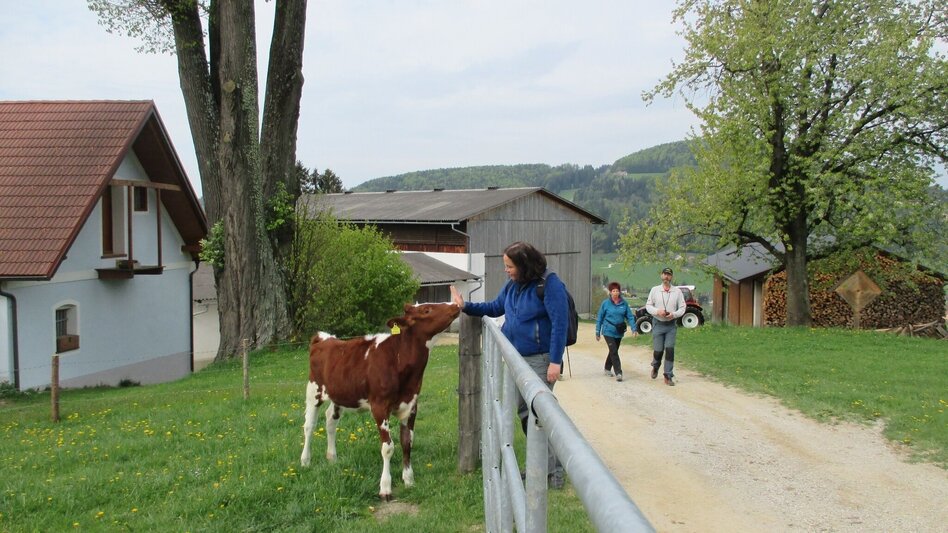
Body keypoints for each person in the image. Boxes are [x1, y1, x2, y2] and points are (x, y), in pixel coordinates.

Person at [450, 241, 568, 489]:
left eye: (509, 266)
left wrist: (555, 362)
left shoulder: (549, 283)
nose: (506, 270)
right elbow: (495, 307)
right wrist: (466, 306)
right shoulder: (513, 286)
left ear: (524, 265)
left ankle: (554, 472)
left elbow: (560, 323)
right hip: (517, 358)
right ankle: (543, 465)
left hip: (540, 359)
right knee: (527, 414)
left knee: (538, 414)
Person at [645, 267, 686, 386]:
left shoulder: (677, 292)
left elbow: (683, 308)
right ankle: (656, 366)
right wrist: (658, 311)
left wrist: (674, 314)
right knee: (658, 351)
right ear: (661, 276)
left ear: (671, 277)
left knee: (669, 350)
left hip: (671, 325)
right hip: (658, 323)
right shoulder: (655, 290)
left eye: (669, 275)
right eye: (664, 274)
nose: (666, 277)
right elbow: (648, 306)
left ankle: (668, 375)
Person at [595, 282, 638, 382]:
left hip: (618, 331)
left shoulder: (624, 303)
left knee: (613, 350)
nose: (615, 293)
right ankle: (618, 372)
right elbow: (600, 317)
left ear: (619, 292)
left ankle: (607, 368)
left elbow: (630, 317)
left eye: (617, 291)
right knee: (613, 350)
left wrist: (634, 328)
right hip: (608, 331)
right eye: (613, 291)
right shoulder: (605, 304)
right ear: (610, 292)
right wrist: (597, 331)